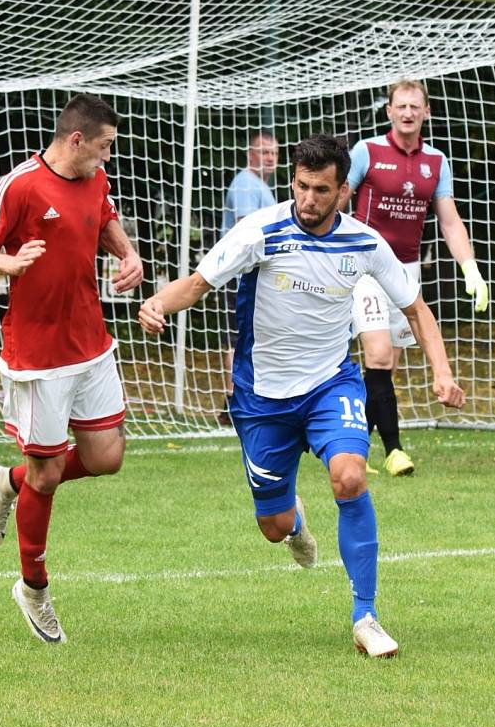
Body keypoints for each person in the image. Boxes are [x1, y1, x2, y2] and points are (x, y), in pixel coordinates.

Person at [138, 134, 464, 657]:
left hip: (329, 384)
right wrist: (157, 303)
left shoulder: (364, 243)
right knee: (272, 526)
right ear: (293, 181)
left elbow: (416, 309)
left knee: (351, 476)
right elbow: (198, 284)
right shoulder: (259, 231)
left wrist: (442, 372)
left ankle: (366, 616)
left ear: (342, 193)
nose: (309, 199)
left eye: (321, 190)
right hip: (262, 398)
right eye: (301, 186)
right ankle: (295, 525)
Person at [0, 94, 143, 644]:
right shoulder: (21, 185)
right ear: (77, 139)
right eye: (105, 147)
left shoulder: (95, 180)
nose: (109, 159)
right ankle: (33, 587)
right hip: (37, 358)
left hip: (90, 342)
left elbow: (104, 219)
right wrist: (8, 262)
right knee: (48, 474)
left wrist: (127, 255)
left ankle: (7, 481)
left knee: (105, 457)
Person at [338, 79, 488, 477]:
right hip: (366, 267)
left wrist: (469, 268)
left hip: (405, 271)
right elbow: (338, 199)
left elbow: (450, 220)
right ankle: (394, 451)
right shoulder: (367, 151)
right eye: (400, 106)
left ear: (426, 112)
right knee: (379, 355)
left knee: (385, 368)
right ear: (389, 111)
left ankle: (353, 447)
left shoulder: (436, 161)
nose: (407, 112)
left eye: (414, 107)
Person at [217, 131, 279, 426]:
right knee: (237, 336)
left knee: (251, 336)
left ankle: (242, 398)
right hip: (238, 272)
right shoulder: (244, 183)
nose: (270, 158)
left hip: (253, 273)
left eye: (274, 153)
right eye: (264, 152)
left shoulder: (263, 188)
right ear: (250, 155)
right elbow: (246, 228)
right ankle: (232, 401)